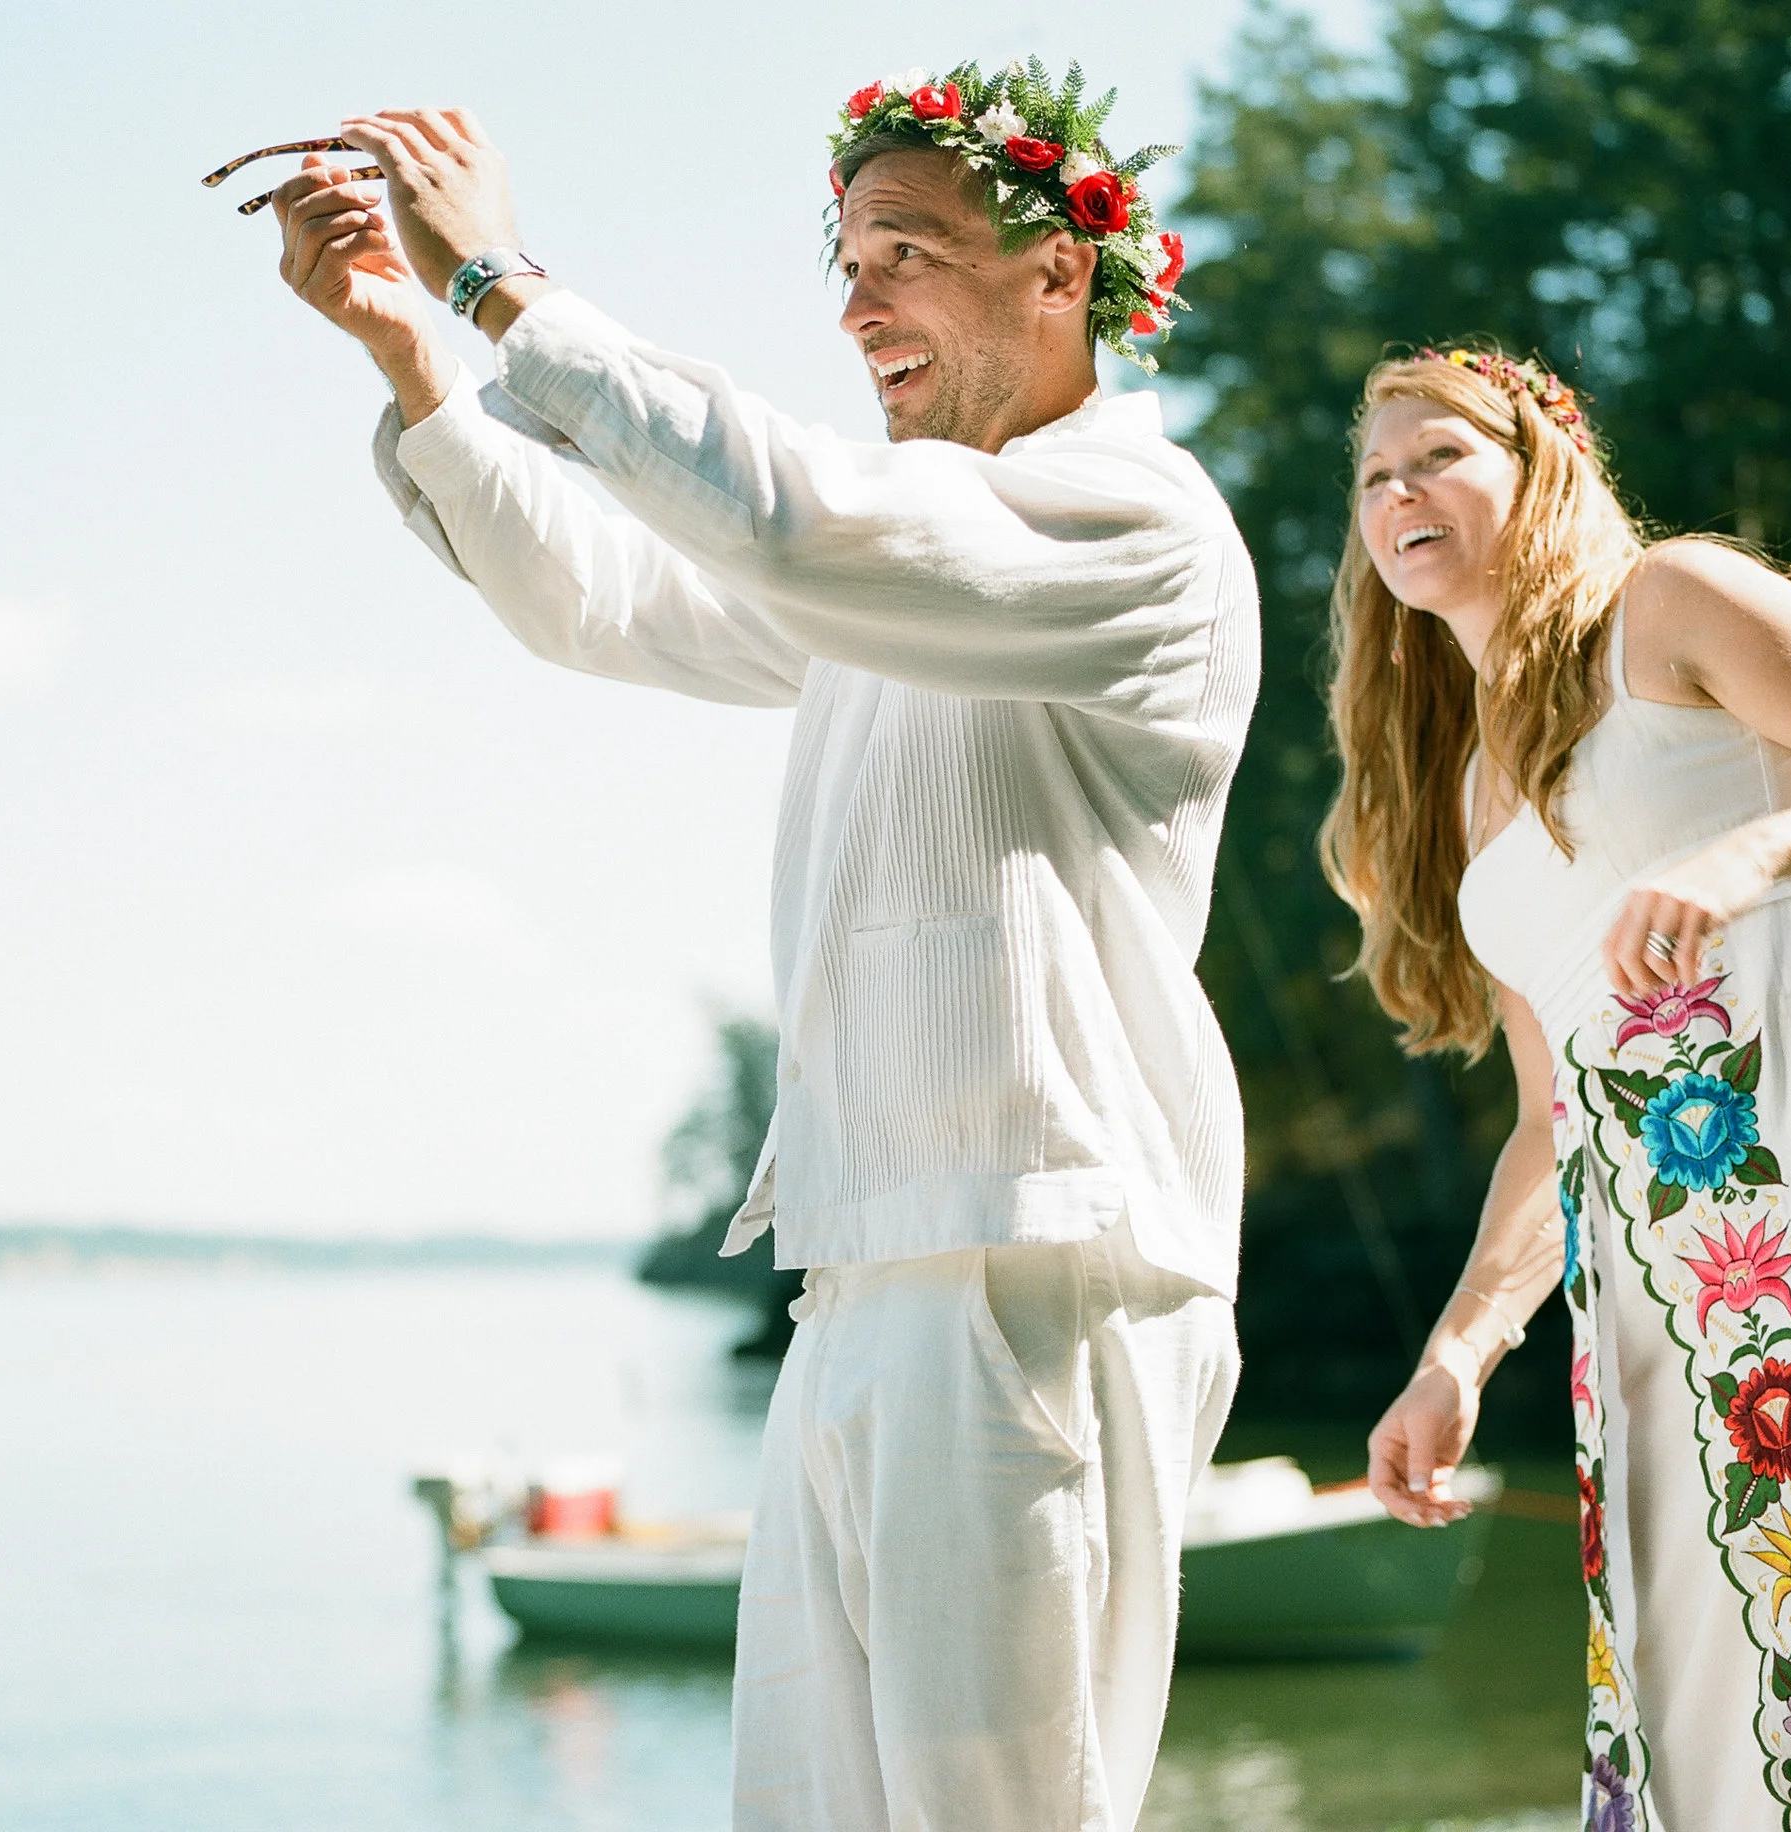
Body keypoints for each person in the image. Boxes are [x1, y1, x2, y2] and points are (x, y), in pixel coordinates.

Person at [263, 61, 1257, 1832]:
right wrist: (415, 354)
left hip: (1041, 1250)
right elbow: (618, 596)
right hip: (863, 1267)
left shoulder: (1135, 520)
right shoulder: (900, 580)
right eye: (847, 255)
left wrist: (505, 280)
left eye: (910, 248)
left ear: (1062, 276)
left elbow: (797, 518)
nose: (858, 297)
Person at [1330, 346, 1791, 1828]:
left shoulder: (1670, 607)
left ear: (1539, 469)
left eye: (1439, 455)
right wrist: (1460, 1354)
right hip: (1662, 1306)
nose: (1400, 490)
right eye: (1374, 476)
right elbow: (1552, 1119)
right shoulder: (1477, 792)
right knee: (1717, 1690)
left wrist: (1766, 851)